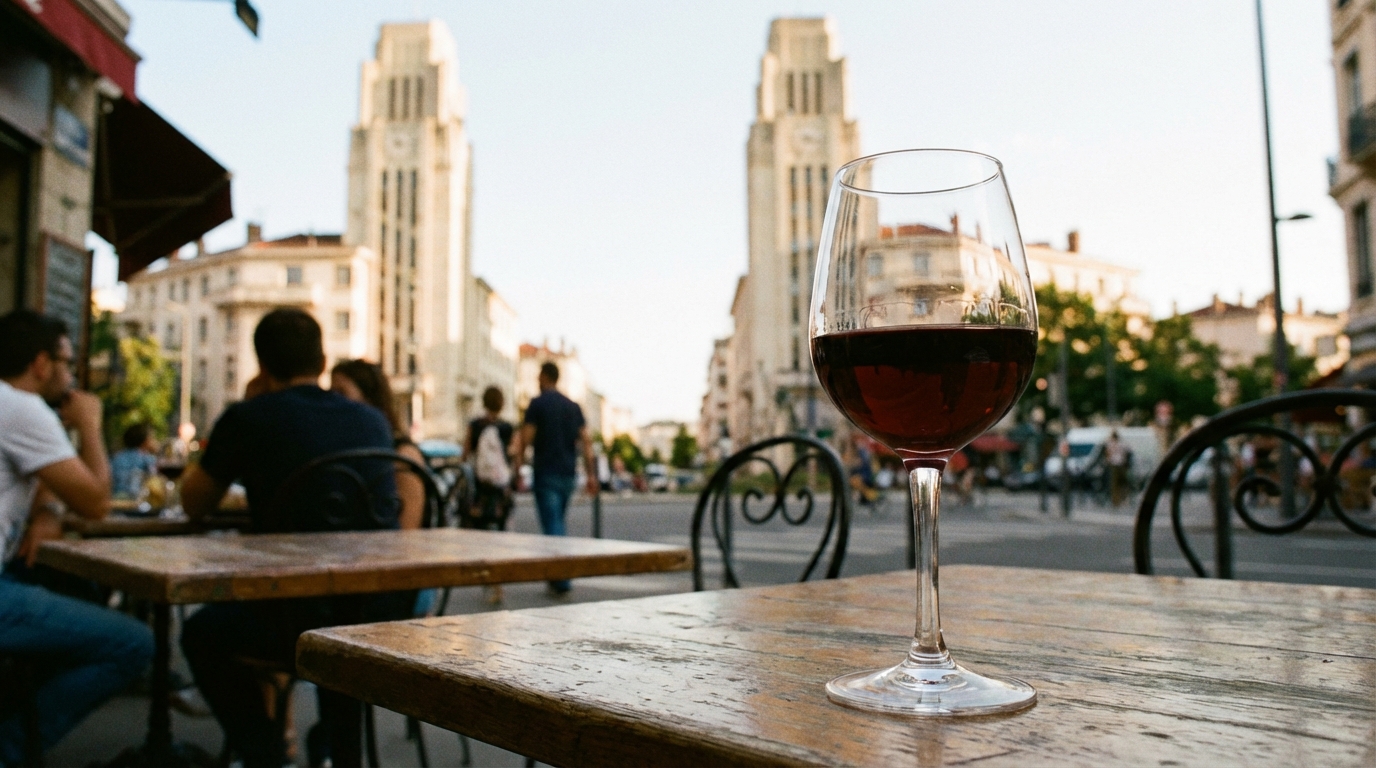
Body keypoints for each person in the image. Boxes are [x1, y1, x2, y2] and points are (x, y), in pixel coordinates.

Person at [179, 308, 409, 768]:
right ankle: (341, 754)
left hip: (291, 619)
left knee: (201, 633)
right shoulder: (371, 422)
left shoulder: (248, 417)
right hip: (379, 612)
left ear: (261, 365)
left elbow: (194, 502)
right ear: (323, 363)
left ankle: (265, 753)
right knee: (339, 621)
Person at [0, 310, 154, 766]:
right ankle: (9, 752)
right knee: (133, 643)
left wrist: (46, 509)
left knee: (72, 594)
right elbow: (95, 502)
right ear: (42, 364)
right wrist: (89, 422)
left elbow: (48, 479)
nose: (73, 375)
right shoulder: (24, 408)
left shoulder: (10, 407)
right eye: (68, 363)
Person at [511, 362, 597, 595]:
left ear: (544, 376)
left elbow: (525, 438)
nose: (537, 380)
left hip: (546, 471)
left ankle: (562, 578)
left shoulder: (537, 404)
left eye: (539, 376)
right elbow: (586, 442)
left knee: (553, 525)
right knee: (557, 521)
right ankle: (557, 574)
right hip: (568, 473)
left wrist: (518, 467)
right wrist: (591, 475)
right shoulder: (573, 406)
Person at [330, 359, 425, 530]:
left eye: (342, 393)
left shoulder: (402, 453)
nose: (334, 402)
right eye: (331, 394)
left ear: (369, 398)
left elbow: (408, 532)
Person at [110, 423, 159, 500]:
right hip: (139, 503)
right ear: (145, 441)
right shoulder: (149, 459)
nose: (156, 441)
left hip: (117, 502)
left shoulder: (117, 458)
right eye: (153, 438)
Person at [1106, 430, 1131, 508]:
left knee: (1115, 484)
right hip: (1122, 465)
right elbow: (1126, 454)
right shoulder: (1122, 444)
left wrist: (1108, 461)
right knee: (1123, 483)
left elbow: (1108, 454)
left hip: (1114, 465)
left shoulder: (1110, 444)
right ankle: (1124, 499)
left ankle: (1116, 501)